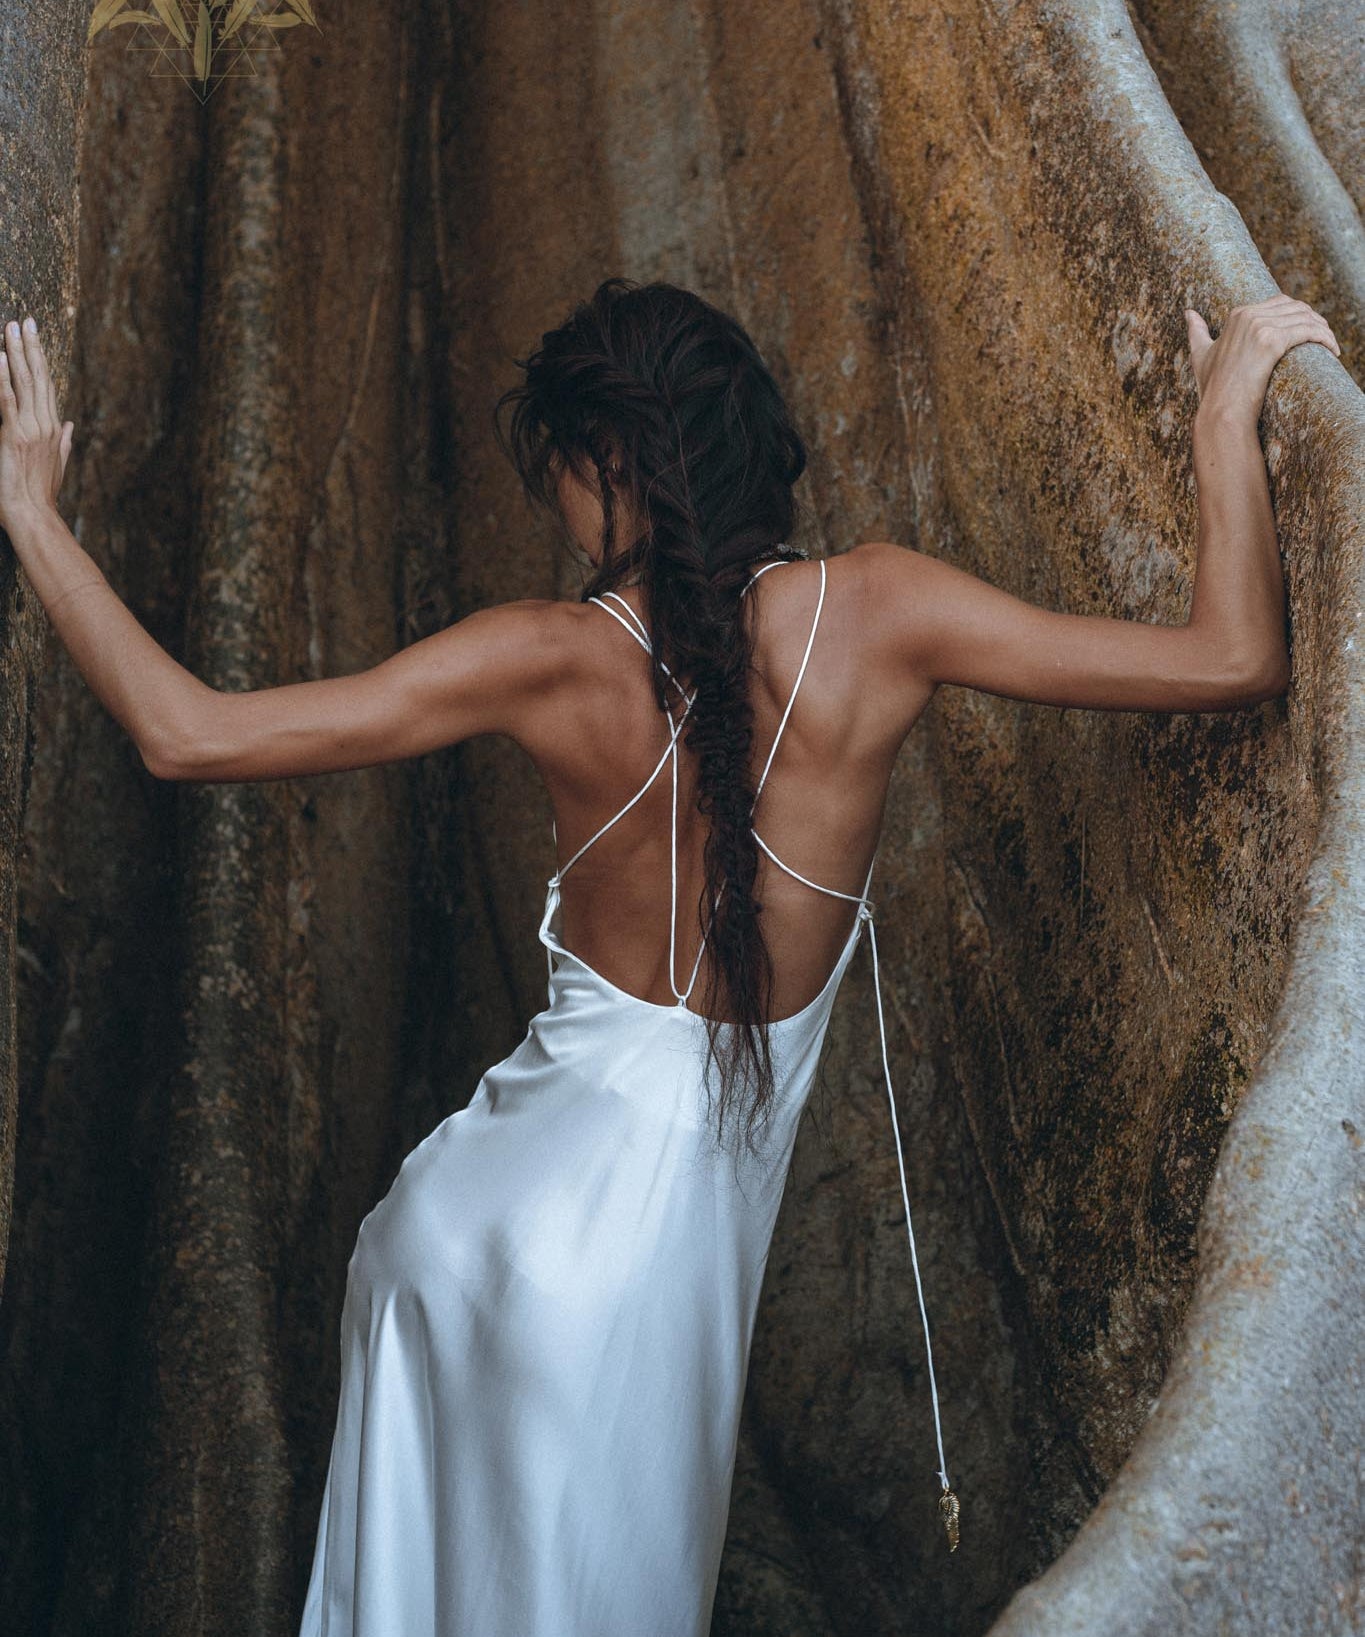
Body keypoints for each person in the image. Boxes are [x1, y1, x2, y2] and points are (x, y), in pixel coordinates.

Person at [0, 279, 1338, 1636]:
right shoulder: (881, 613)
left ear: (616, 465)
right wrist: (1223, 407)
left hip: (453, 1243)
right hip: (638, 1286)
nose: (560, 515)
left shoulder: (548, 655)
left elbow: (190, 732)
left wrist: (33, 516)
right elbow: (1230, 655)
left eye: (566, 477)